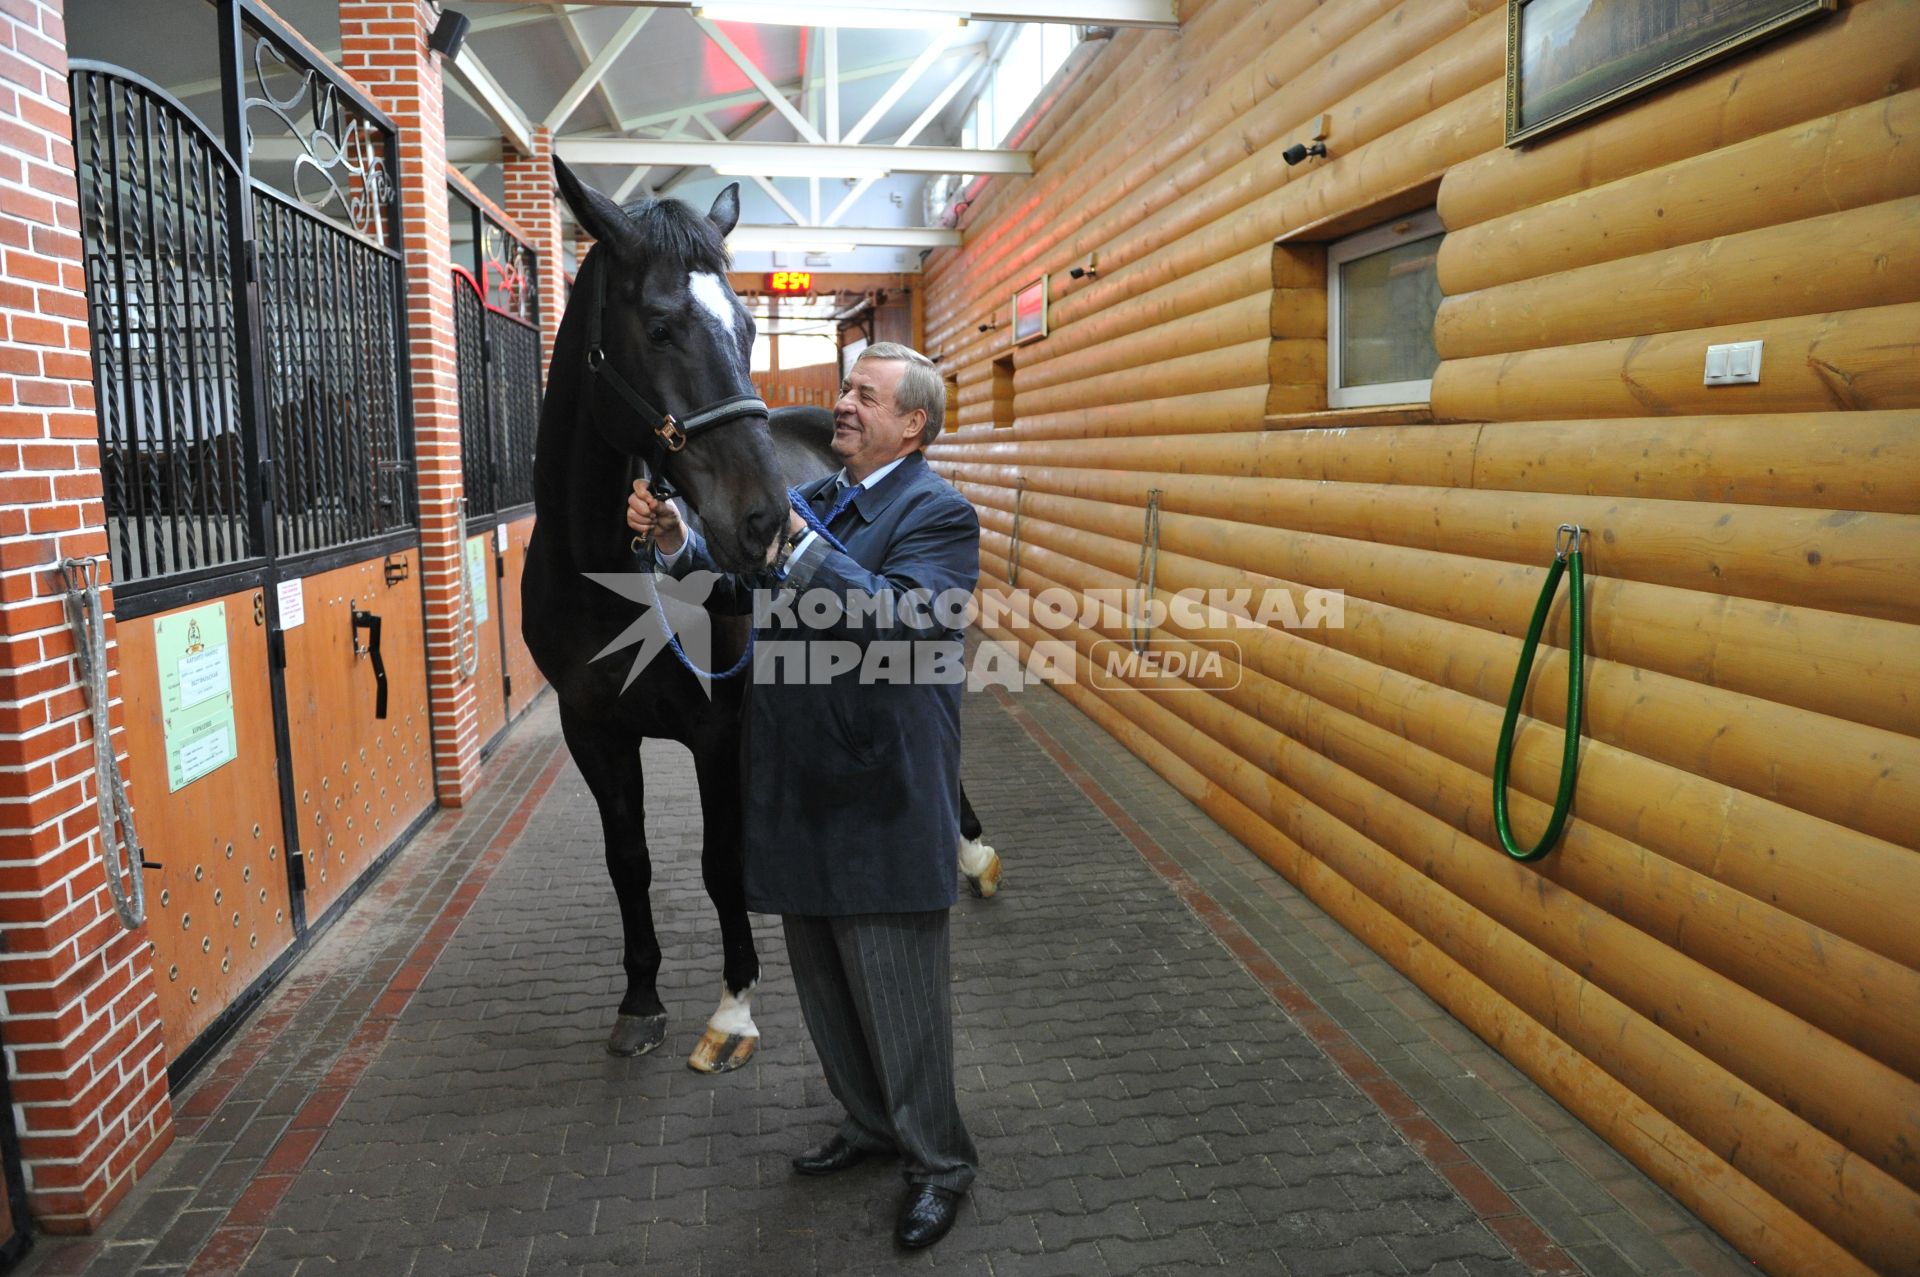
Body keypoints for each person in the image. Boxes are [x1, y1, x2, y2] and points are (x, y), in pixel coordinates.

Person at [626, 343, 981, 1250]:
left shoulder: (939, 513)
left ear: (915, 423)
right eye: (846, 390)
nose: (844, 404)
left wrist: (803, 554)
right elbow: (743, 573)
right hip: (798, 783)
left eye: (866, 395)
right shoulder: (819, 499)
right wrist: (678, 543)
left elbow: (908, 623)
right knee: (827, 990)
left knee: (900, 1000)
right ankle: (868, 1123)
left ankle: (939, 1161)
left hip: (881, 789)